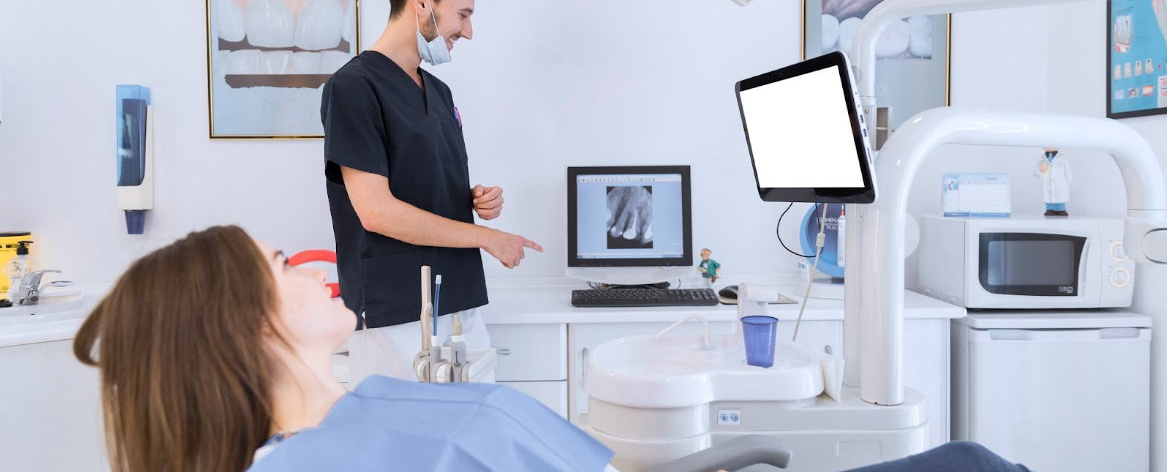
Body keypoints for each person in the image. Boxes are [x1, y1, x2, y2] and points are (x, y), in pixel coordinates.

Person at [73, 226, 1033, 472]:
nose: (306, 261)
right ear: (249, 322)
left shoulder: (352, 417)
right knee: (978, 461)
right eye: (279, 261)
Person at [320, 0, 543, 383]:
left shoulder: (439, 92)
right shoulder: (353, 87)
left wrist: (475, 199)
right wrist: (487, 236)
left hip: (459, 300)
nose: (469, 30)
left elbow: (422, 181)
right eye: (463, 14)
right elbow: (376, 210)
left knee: (476, 432)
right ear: (421, 0)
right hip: (397, 310)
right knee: (409, 444)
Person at [1035, 146, 1071, 216]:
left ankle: (1061, 209)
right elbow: (1035, 172)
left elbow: (1068, 170)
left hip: (1060, 182)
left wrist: (1068, 180)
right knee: (1048, 195)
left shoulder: (1063, 158)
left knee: (1060, 195)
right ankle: (1050, 209)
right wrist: (1040, 169)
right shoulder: (1041, 159)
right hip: (1046, 181)